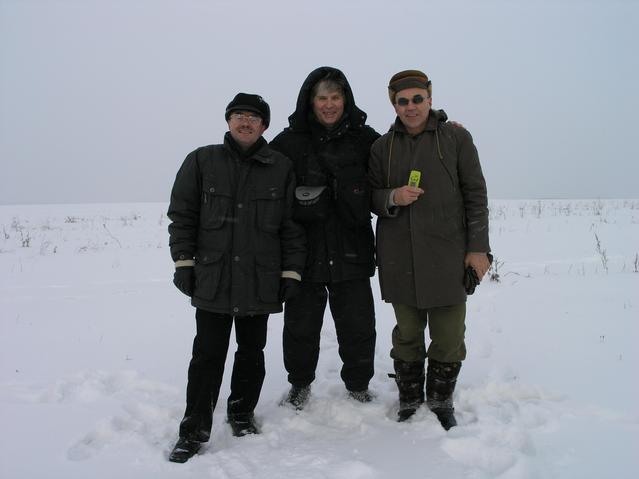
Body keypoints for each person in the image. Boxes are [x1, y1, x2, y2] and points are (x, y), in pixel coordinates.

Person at [166, 93, 306, 462]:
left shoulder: (280, 166)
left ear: (264, 126)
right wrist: (183, 262)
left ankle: (241, 414)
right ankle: (193, 431)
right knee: (207, 355)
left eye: (254, 117)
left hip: (260, 279)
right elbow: (183, 215)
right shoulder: (201, 160)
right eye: (239, 115)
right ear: (228, 121)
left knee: (251, 352)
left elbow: (292, 226)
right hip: (213, 277)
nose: (246, 122)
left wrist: (290, 271)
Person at [368, 70, 491, 429]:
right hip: (399, 255)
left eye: (417, 99)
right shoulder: (381, 147)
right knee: (406, 333)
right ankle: (409, 398)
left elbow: (476, 194)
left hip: (448, 255)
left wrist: (478, 248)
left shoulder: (456, 138)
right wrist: (393, 196)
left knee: (449, 335)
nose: (411, 107)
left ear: (430, 98)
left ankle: (440, 398)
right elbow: (370, 196)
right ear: (394, 103)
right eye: (402, 101)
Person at [269, 66, 379, 408]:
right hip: (305, 253)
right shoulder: (288, 143)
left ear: (345, 99)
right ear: (310, 101)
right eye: (322, 98)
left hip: (352, 249)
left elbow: (402, 151)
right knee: (300, 326)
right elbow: (260, 171)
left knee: (358, 325)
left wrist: (442, 129)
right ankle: (299, 384)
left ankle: (358, 384)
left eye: (336, 97)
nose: (329, 105)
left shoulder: (366, 139)